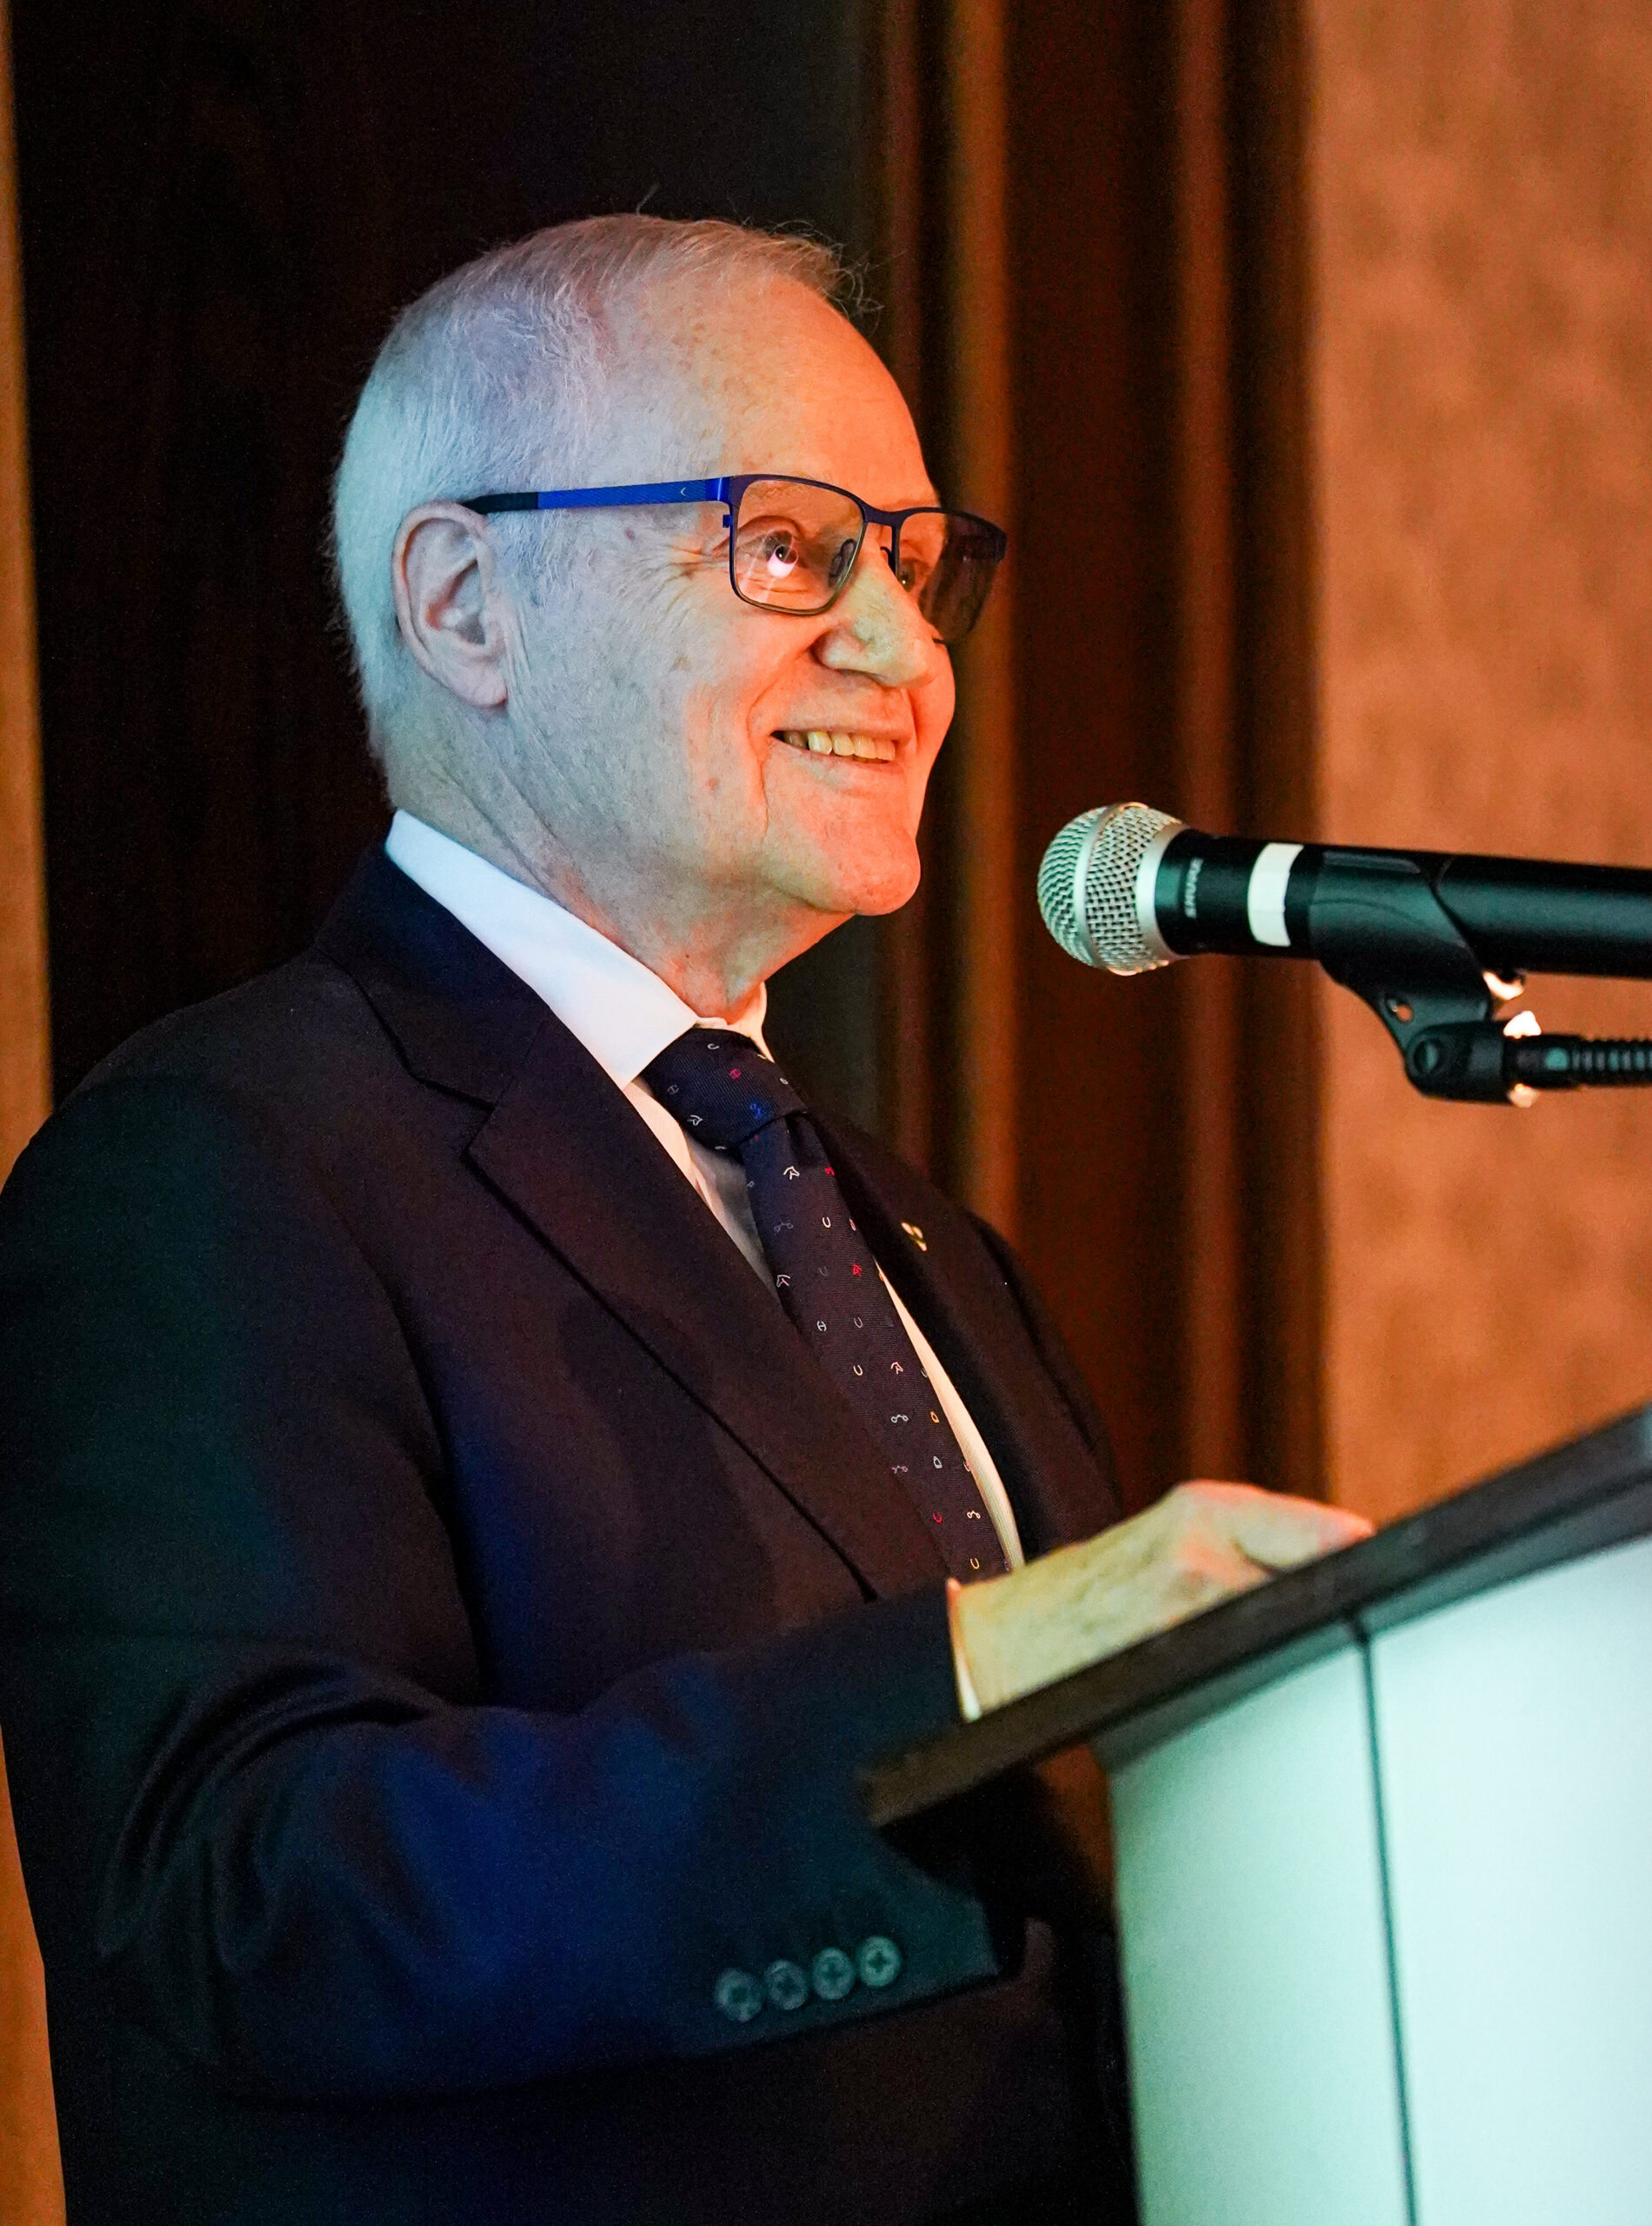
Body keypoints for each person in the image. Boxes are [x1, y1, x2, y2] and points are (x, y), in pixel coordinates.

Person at [0, 216, 1368, 2226]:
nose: (907, 653)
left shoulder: (919, 1240)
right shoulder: (219, 1156)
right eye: (793, 550)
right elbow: (248, 1894)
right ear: (466, 604)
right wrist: (975, 1664)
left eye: (918, 566)